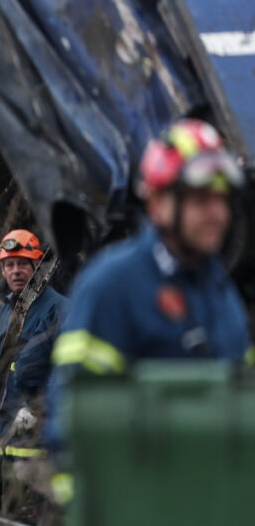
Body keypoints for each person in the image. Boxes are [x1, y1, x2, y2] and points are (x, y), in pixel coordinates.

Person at [46, 119, 252, 502]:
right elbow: (75, 409)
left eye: (222, 200)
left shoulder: (222, 294)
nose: (217, 213)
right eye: (201, 199)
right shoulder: (112, 285)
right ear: (158, 203)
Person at [0, 229, 66, 510]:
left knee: (45, 499)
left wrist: (41, 408)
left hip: (37, 423)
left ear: (36, 266)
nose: (16, 271)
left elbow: (67, 367)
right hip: (2, 417)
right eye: (9, 264)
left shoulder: (58, 309)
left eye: (22, 263)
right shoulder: (7, 309)